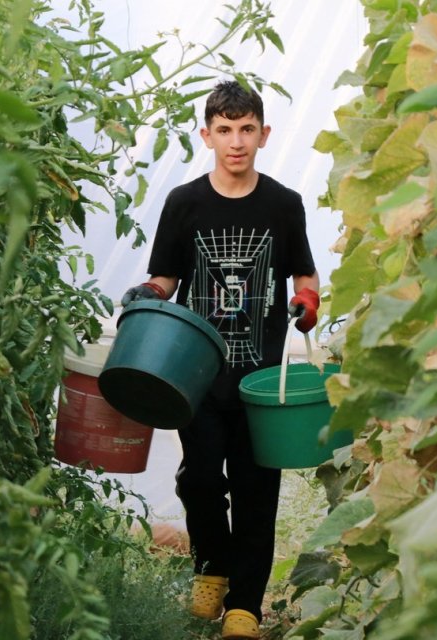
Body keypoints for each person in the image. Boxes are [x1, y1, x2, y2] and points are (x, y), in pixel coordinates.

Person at [121, 80, 319, 640]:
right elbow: (166, 277)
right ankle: (212, 568)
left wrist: (306, 300)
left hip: (260, 381)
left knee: (258, 487)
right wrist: (150, 295)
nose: (236, 141)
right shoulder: (185, 203)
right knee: (202, 478)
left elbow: (304, 273)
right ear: (206, 135)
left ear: (264, 135)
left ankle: (246, 608)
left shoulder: (284, 205)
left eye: (247, 129)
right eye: (225, 130)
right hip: (196, 376)